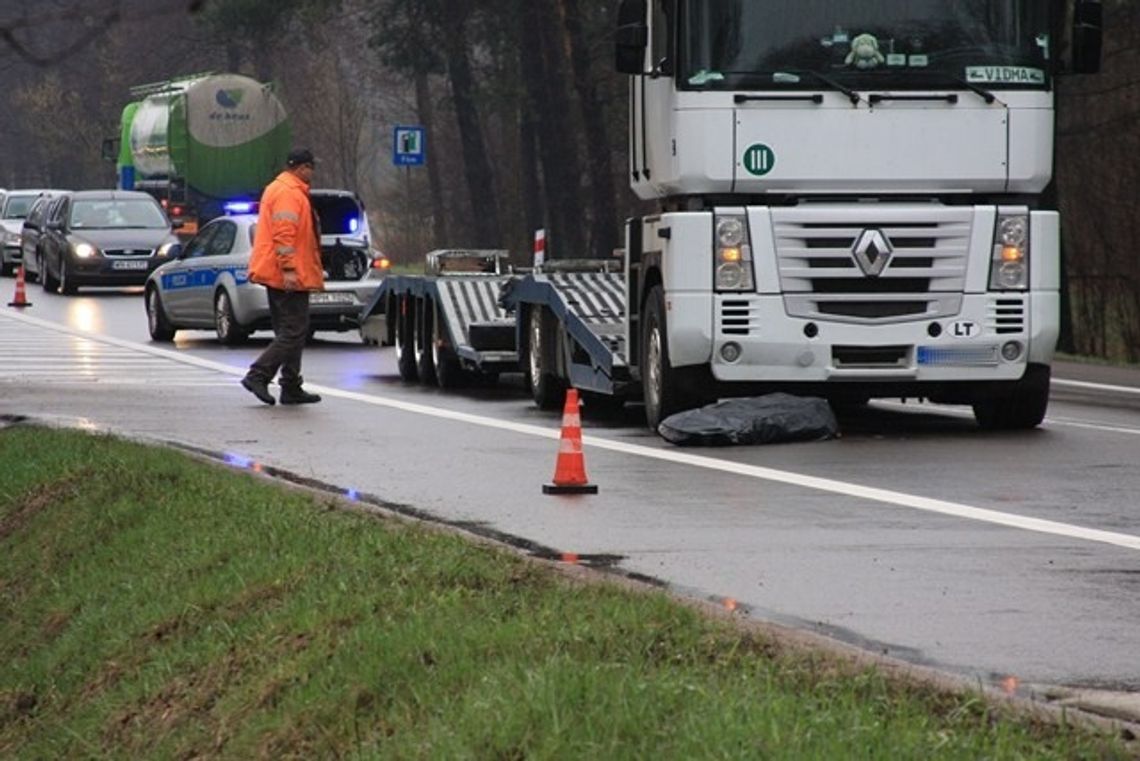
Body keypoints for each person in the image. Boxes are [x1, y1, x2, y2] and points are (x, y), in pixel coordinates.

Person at [241, 148, 324, 406]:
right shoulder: (289, 193)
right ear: (302, 168)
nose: (313, 173)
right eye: (312, 168)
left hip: (278, 271)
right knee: (293, 331)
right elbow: (284, 234)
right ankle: (259, 375)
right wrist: (289, 268)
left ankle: (290, 386)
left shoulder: (280, 188)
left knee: (288, 330)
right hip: (286, 274)